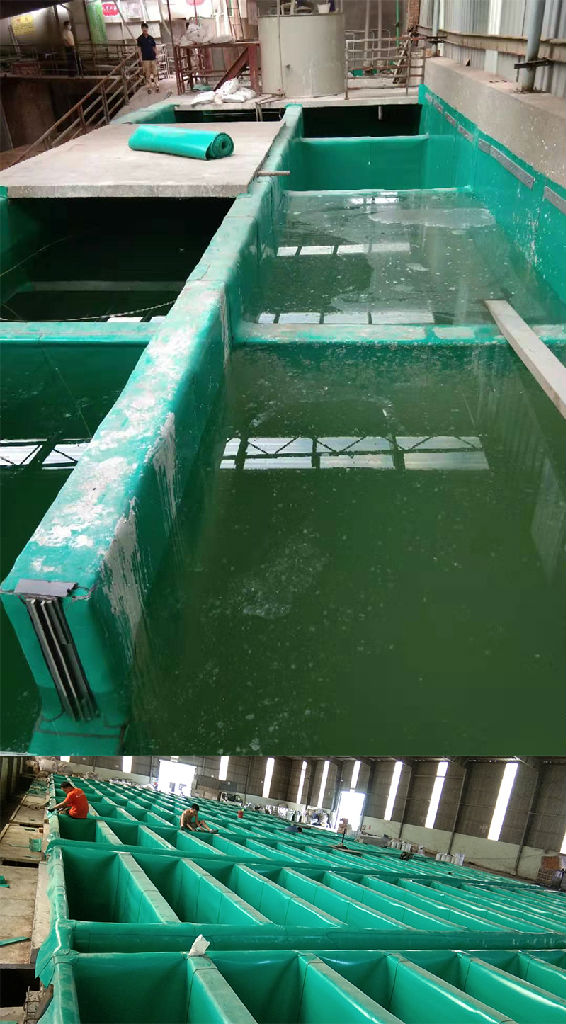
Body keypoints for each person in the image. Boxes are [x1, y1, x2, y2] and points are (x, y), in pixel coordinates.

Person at [137, 24, 159, 94]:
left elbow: (154, 47)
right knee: (147, 73)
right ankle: (149, 87)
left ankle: (157, 85)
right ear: (142, 29)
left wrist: (157, 55)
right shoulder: (140, 39)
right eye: (143, 29)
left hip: (153, 57)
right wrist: (140, 57)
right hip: (145, 59)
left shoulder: (151, 38)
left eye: (146, 29)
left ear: (147, 29)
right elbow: (139, 49)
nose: (145, 30)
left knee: (155, 72)